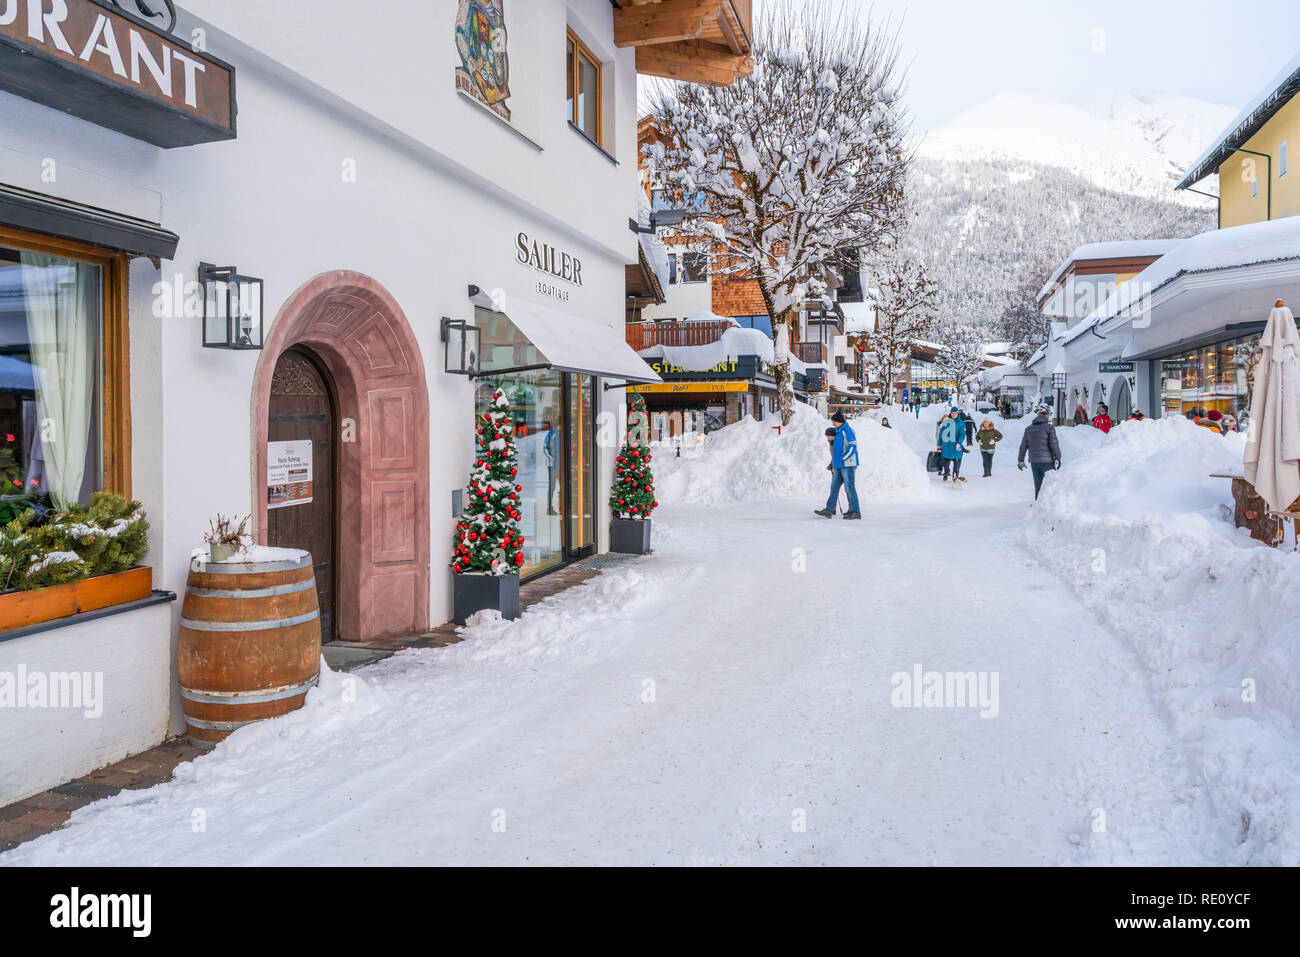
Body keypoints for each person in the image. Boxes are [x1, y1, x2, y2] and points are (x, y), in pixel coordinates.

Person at [815, 412, 861, 520]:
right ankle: (829, 510)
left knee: (849, 488)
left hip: (848, 464)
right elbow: (832, 443)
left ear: (839, 421)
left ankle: (856, 511)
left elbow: (852, 447)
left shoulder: (847, 431)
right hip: (839, 465)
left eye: (834, 421)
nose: (833, 423)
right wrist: (833, 463)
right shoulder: (838, 431)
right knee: (834, 487)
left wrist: (843, 458)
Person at [1018, 403, 1062, 500]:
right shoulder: (1049, 428)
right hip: (1047, 461)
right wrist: (1057, 458)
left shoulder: (1029, 429)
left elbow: (1023, 445)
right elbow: (1054, 444)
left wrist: (1020, 460)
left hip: (1034, 461)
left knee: (1038, 484)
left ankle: (1037, 505)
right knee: (1048, 484)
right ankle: (1047, 504)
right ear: (1046, 416)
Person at [936, 408, 966, 484]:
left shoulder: (961, 423)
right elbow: (941, 434)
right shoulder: (946, 422)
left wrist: (959, 442)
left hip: (956, 445)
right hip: (946, 445)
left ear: (957, 414)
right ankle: (946, 473)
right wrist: (939, 444)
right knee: (946, 460)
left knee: (957, 461)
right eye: (952, 413)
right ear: (950, 413)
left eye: (955, 413)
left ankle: (955, 476)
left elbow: (962, 435)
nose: (953, 414)